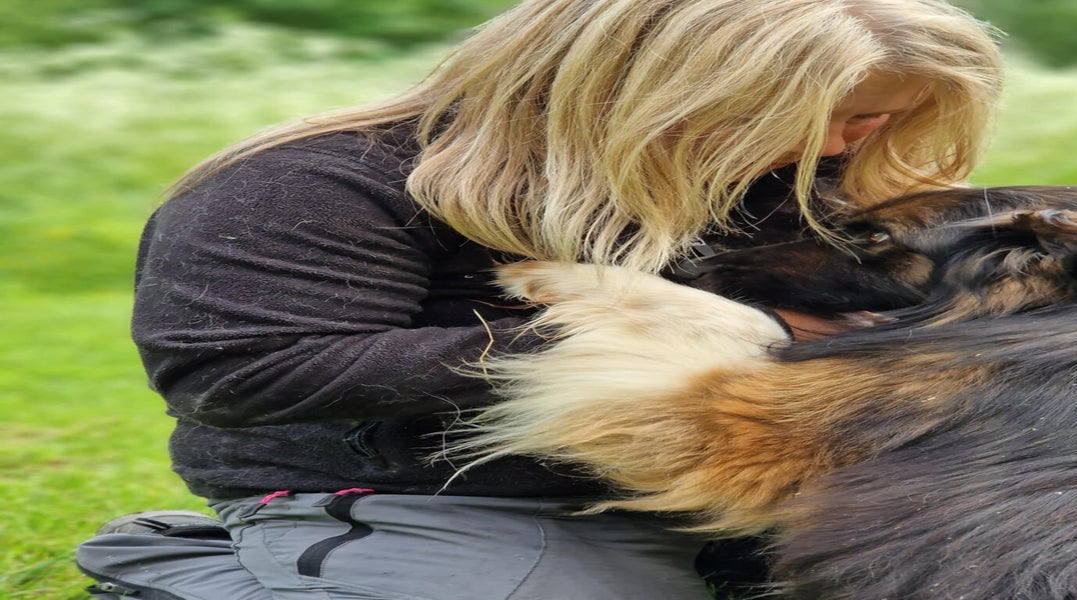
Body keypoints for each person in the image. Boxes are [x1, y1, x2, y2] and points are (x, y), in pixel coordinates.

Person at [74, 0, 1004, 598]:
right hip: (449, 496)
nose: (840, 147)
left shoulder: (796, 180)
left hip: (738, 491)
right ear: (656, 88)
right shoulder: (315, 184)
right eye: (818, 118)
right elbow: (247, 374)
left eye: (875, 120)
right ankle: (196, 567)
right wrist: (698, 341)